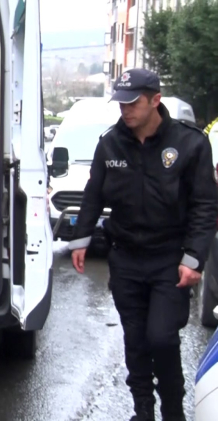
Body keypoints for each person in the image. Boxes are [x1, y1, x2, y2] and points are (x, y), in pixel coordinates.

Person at [69, 68, 218, 421]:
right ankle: (143, 412)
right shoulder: (110, 143)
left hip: (170, 259)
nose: (125, 110)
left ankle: (173, 412)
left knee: (162, 338)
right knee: (135, 343)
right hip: (126, 258)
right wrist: (81, 238)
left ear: (155, 100)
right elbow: (93, 194)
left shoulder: (190, 143)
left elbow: (205, 205)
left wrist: (194, 257)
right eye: (121, 103)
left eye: (133, 103)